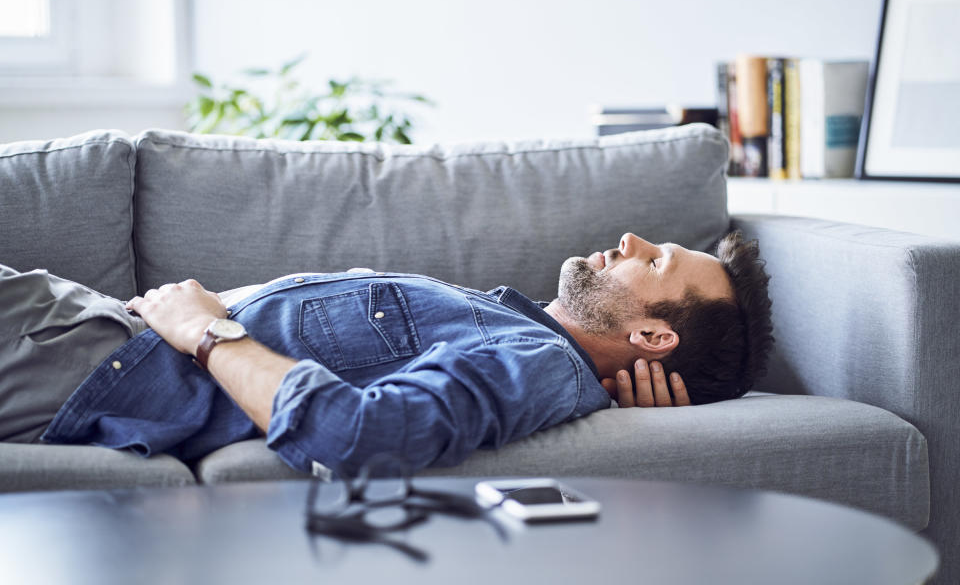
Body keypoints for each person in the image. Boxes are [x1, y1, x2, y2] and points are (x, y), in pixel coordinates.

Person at [0, 231, 773, 478]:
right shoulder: (513, 327)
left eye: (655, 262)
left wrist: (206, 331)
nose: (632, 241)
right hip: (95, 333)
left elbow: (363, 436)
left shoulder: (536, 362)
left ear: (653, 339)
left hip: (83, 361)